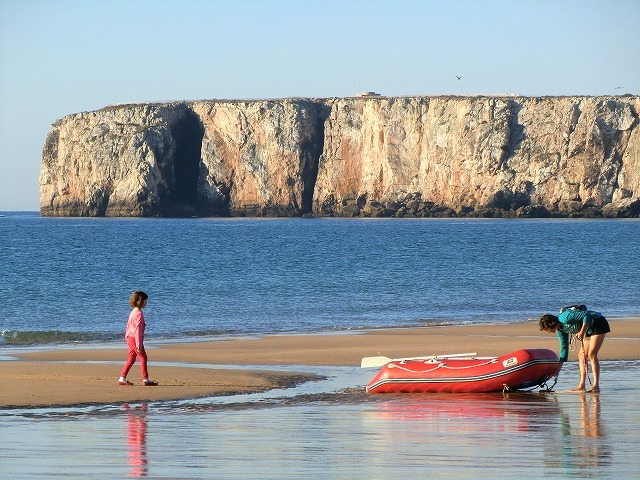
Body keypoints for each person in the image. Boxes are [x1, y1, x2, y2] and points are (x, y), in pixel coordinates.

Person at [539, 306, 610, 393]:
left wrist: (582, 331)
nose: (548, 332)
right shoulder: (560, 329)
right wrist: (558, 369)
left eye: (547, 329)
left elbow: (586, 315)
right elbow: (564, 347)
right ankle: (581, 385)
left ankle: (596, 386)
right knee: (581, 355)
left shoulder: (564, 318)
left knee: (592, 354)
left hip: (598, 322)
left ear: (551, 324)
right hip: (588, 328)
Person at [119, 291, 158, 386]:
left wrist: (127, 337)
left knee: (131, 359)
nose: (146, 303)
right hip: (134, 338)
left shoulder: (133, 312)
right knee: (143, 357)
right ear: (141, 301)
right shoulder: (139, 314)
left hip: (129, 337)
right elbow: (138, 330)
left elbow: (129, 326)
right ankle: (145, 379)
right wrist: (138, 344)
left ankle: (122, 378)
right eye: (145, 301)